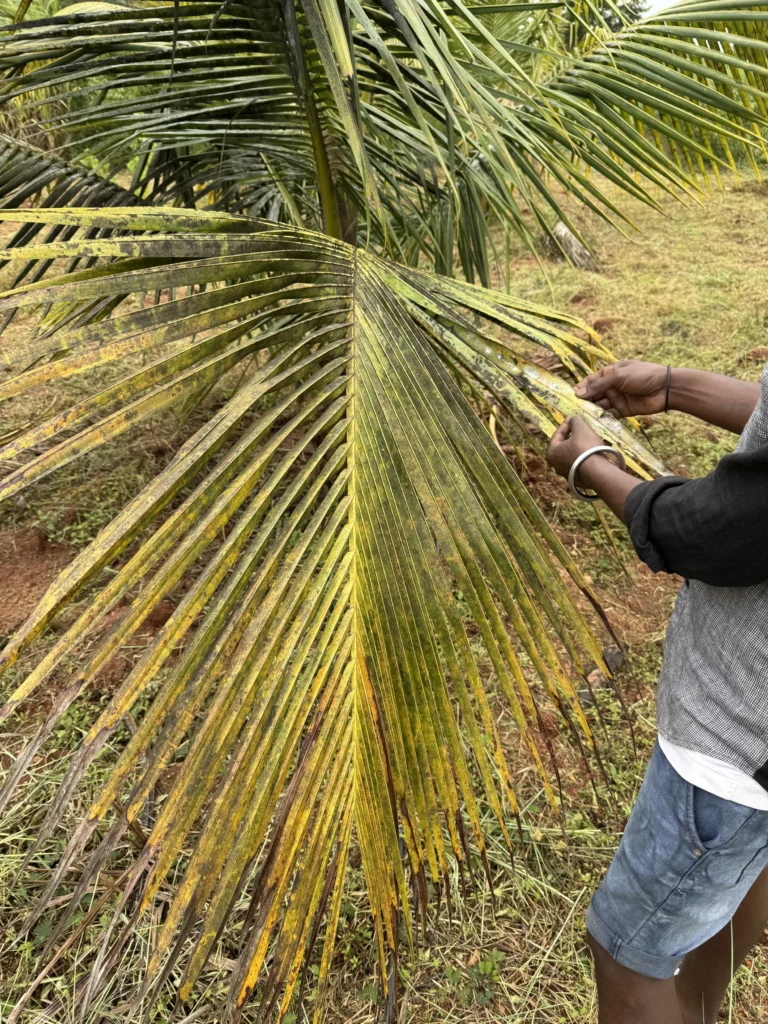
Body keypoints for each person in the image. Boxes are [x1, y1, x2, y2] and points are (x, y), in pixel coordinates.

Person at [546, 360, 768, 1024]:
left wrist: (591, 465)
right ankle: (698, 1013)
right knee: (746, 865)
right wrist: (678, 388)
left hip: (735, 744)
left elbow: (716, 532)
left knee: (626, 955)